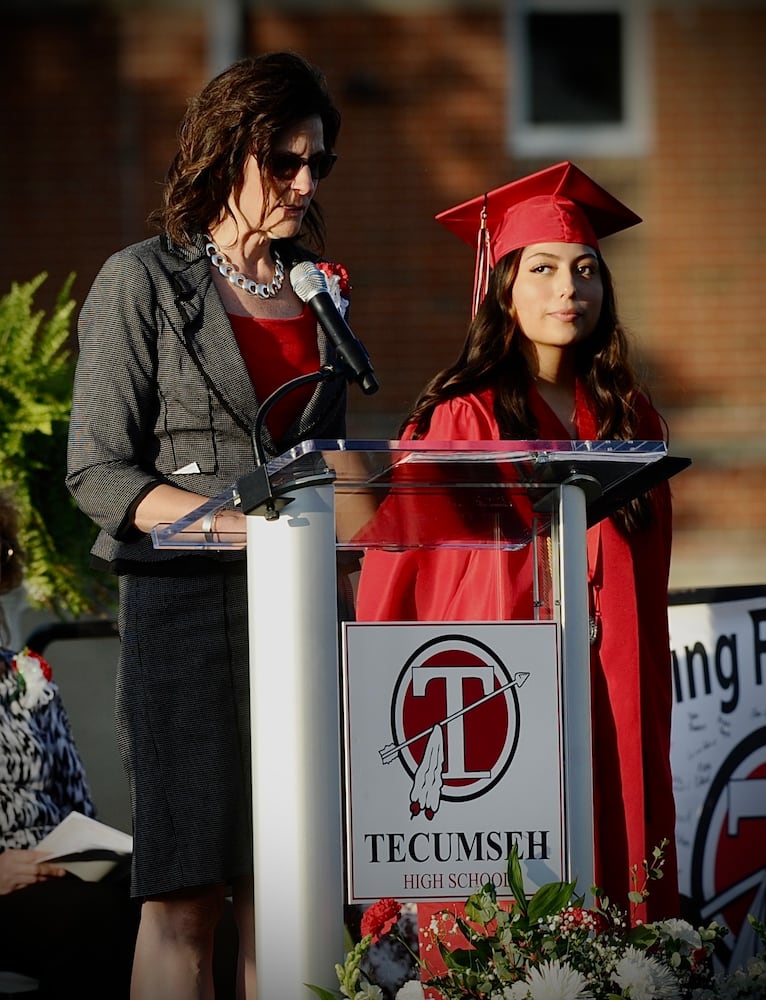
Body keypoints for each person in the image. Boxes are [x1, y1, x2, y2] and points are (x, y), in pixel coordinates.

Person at [66, 51, 349, 999]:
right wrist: (242, 528)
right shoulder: (141, 281)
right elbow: (99, 470)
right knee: (186, 894)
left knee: (288, 886)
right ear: (227, 151)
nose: (305, 183)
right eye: (284, 160)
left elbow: (326, 462)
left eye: (318, 164)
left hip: (301, 615)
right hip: (185, 612)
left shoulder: (320, 292)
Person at [355, 162, 680, 925]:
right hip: (500, 693)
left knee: (622, 873)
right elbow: (398, 581)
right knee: (506, 913)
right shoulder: (461, 419)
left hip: (613, 689)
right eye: (542, 269)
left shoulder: (633, 417)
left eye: (586, 270)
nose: (569, 288)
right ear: (501, 286)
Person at [0, 489, 140, 998]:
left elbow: (75, 807)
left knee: (172, 898)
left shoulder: (25, 672)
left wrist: (83, 853)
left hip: (56, 872)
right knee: (95, 924)